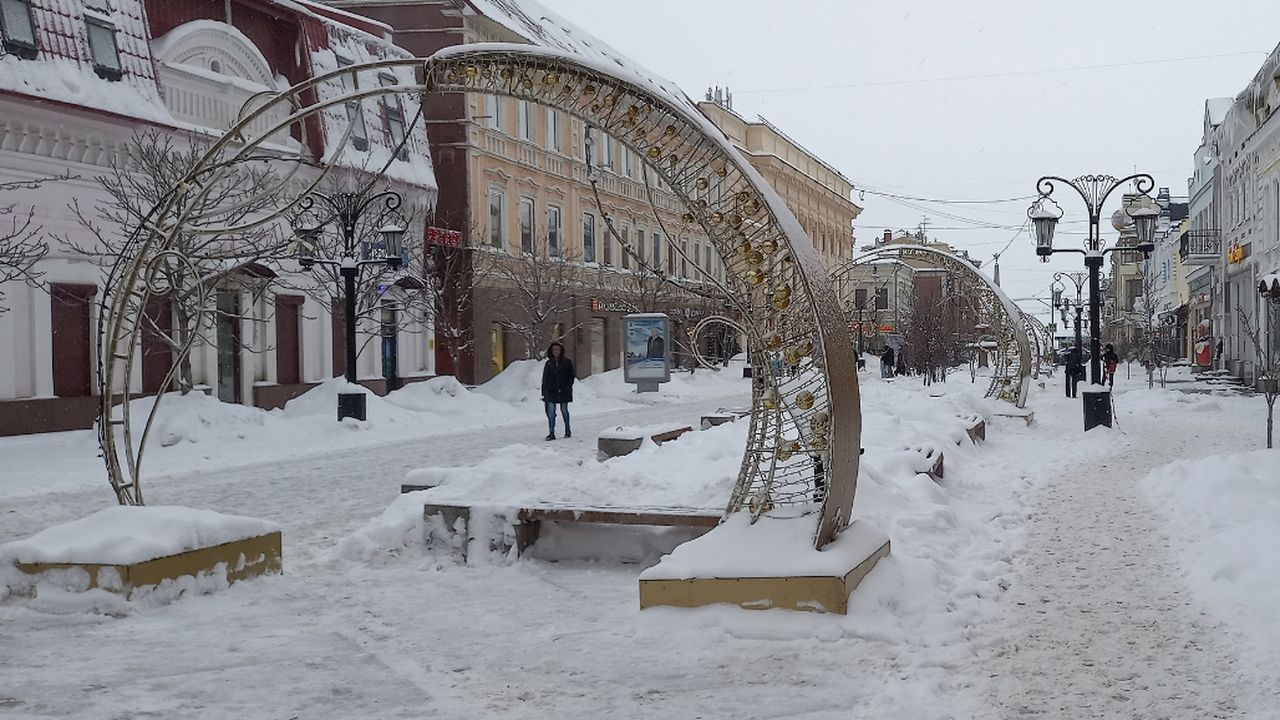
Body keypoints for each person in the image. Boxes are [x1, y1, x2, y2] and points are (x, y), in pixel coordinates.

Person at [541, 341, 575, 440]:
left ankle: (567, 429)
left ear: (561, 351)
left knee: (564, 410)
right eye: (554, 350)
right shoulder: (549, 363)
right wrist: (544, 392)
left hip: (564, 390)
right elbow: (545, 378)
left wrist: (568, 386)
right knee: (551, 412)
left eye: (557, 350)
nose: (556, 352)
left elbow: (571, 376)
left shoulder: (567, 362)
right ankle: (551, 432)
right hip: (551, 391)